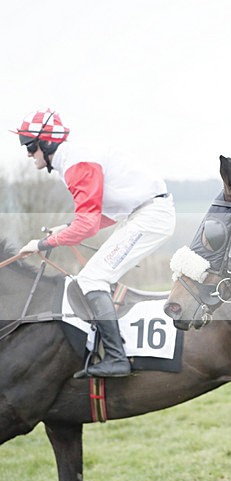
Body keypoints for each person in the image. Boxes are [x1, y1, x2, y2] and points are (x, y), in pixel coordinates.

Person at [14, 109, 176, 378]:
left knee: (91, 279)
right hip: (142, 213)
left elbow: (87, 225)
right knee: (92, 277)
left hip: (149, 216)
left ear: (47, 143)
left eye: (30, 147)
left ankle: (116, 357)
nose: (29, 154)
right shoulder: (73, 160)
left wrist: (42, 244)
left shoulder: (77, 164)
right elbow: (103, 215)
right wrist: (64, 229)